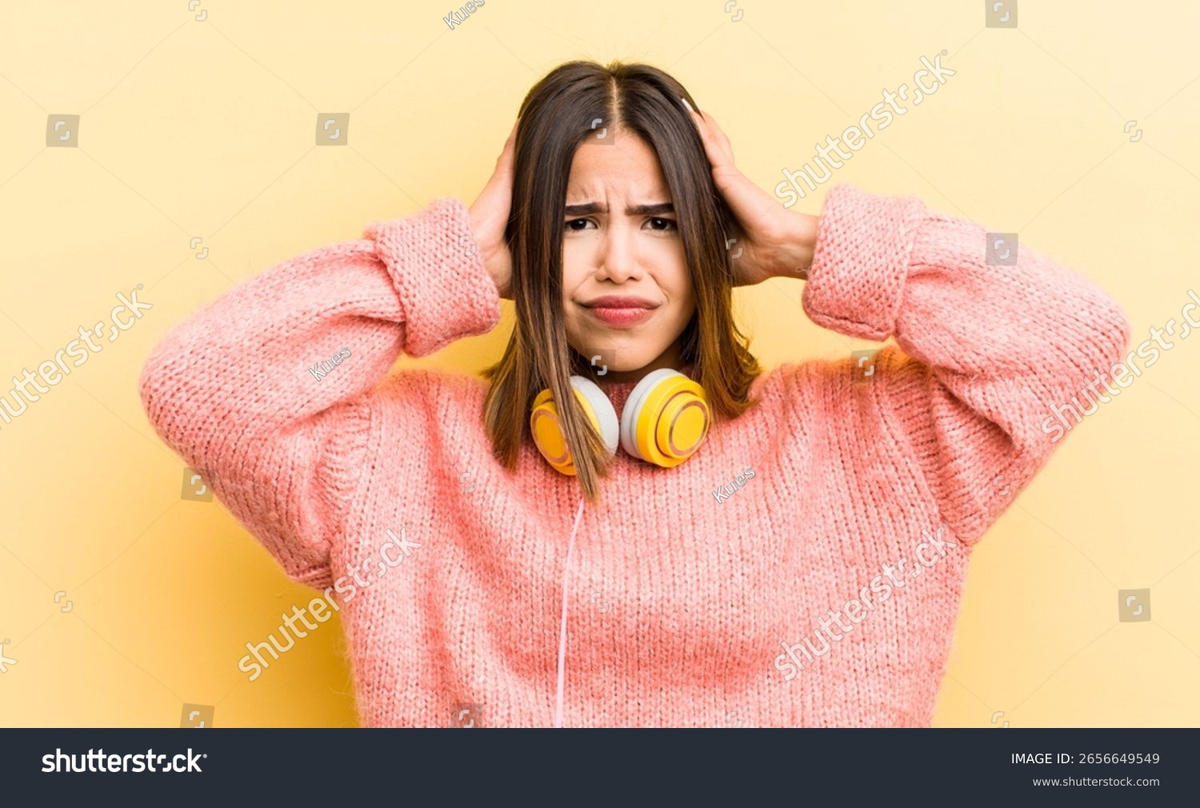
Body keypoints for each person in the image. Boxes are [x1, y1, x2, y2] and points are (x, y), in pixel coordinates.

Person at [139, 60, 1130, 727]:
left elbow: (1072, 337)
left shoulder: (874, 440)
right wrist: (442, 267)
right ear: (520, 242)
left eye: (660, 221)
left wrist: (801, 242)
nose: (619, 263)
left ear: (711, 240)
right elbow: (203, 386)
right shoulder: (398, 460)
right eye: (573, 222)